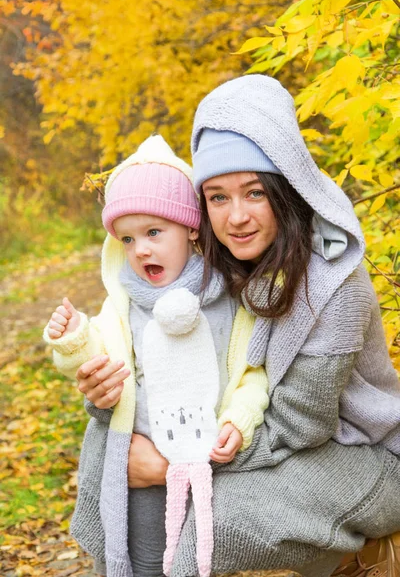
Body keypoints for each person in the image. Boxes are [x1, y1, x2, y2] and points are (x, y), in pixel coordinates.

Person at [72, 75, 400, 577]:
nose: (237, 217)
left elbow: (300, 425)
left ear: (285, 190)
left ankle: (362, 554)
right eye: (218, 197)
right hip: (273, 446)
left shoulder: (336, 285)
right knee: (115, 461)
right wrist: (107, 398)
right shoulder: (226, 269)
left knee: (208, 525)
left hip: (364, 459)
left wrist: (169, 466)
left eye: (253, 192)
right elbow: (174, 373)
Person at [43, 134, 269, 577]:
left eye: (153, 232)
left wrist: (239, 420)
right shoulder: (125, 305)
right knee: (142, 558)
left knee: (197, 558)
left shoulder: (227, 299)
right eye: (127, 239)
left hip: (207, 455)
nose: (141, 248)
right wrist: (73, 341)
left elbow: (252, 374)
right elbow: (98, 360)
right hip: (143, 458)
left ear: (190, 228)